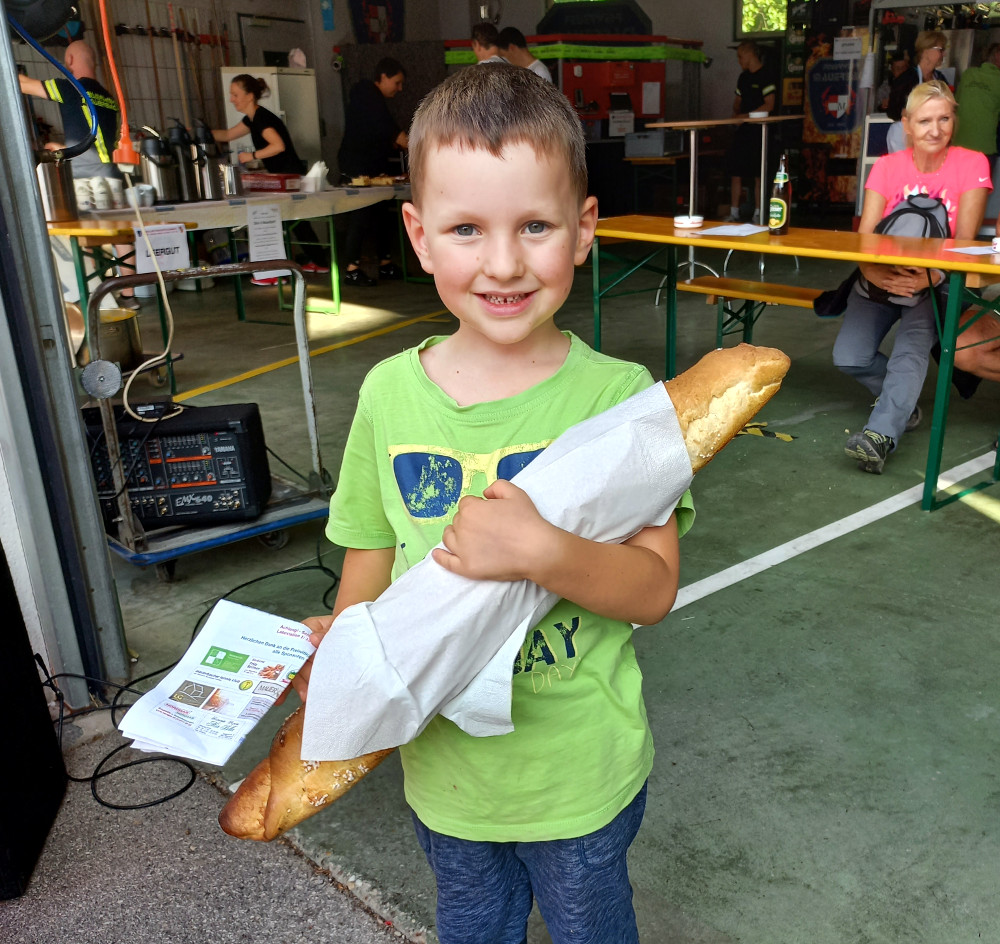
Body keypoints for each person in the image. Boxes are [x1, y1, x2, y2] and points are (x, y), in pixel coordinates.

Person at [293, 64, 694, 944]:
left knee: (592, 927)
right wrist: (347, 637)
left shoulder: (624, 403)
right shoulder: (389, 395)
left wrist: (542, 551)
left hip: (578, 776)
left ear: (583, 229)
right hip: (445, 777)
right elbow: (368, 549)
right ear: (419, 235)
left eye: (536, 226)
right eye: (467, 228)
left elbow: (652, 592)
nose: (504, 263)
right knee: (473, 927)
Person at [833, 81, 990, 474]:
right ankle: (901, 405)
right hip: (878, 278)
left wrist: (929, 278)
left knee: (911, 353)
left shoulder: (973, 164)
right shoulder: (887, 167)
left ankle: (881, 434)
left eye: (944, 119)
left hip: (934, 281)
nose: (935, 129)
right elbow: (865, 237)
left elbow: (964, 242)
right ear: (906, 124)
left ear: (954, 120)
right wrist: (874, 273)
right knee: (849, 357)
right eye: (924, 121)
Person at [19, 41, 138, 309]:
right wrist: (66, 147)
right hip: (111, 175)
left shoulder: (69, 87)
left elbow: (24, 85)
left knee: (84, 240)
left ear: (70, 60)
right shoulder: (108, 96)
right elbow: (94, 139)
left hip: (84, 180)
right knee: (120, 236)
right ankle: (129, 296)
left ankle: (97, 298)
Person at [213, 73, 329, 284]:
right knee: (298, 221)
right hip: (284, 176)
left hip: (287, 176)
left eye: (235, 94)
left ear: (249, 96)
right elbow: (228, 135)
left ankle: (273, 271)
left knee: (274, 220)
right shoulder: (252, 118)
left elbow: (278, 145)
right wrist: (198, 132)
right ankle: (318, 261)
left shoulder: (262, 118)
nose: (231, 99)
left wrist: (252, 156)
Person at [337, 57, 408, 286]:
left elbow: (379, 130)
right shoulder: (367, 95)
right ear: (384, 77)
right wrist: (420, 148)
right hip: (358, 166)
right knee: (360, 216)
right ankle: (351, 268)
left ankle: (385, 263)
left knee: (381, 215)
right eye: (397, 83)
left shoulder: (372, 99)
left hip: (374, 166)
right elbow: (387, 128)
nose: (400, 89)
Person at [726, 40, 777, 223]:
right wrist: (736, 114)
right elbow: (736, 102)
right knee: (736, 171)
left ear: (749, 54)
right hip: (743, 131)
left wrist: (746, 116)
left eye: (740, 56)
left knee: (758, 174)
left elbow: (769, 104)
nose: (739, 60)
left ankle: (758, 213)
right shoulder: (743, 78)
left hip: (759, 131)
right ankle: (733, 212)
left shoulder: (766, 76)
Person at [885, 31, 948, 152]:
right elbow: (892, 111)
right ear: (926, 51)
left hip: (930, 137)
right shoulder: (907, 79)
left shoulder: (940, 79)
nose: (944, 54)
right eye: (941, 49)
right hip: (903, 138)